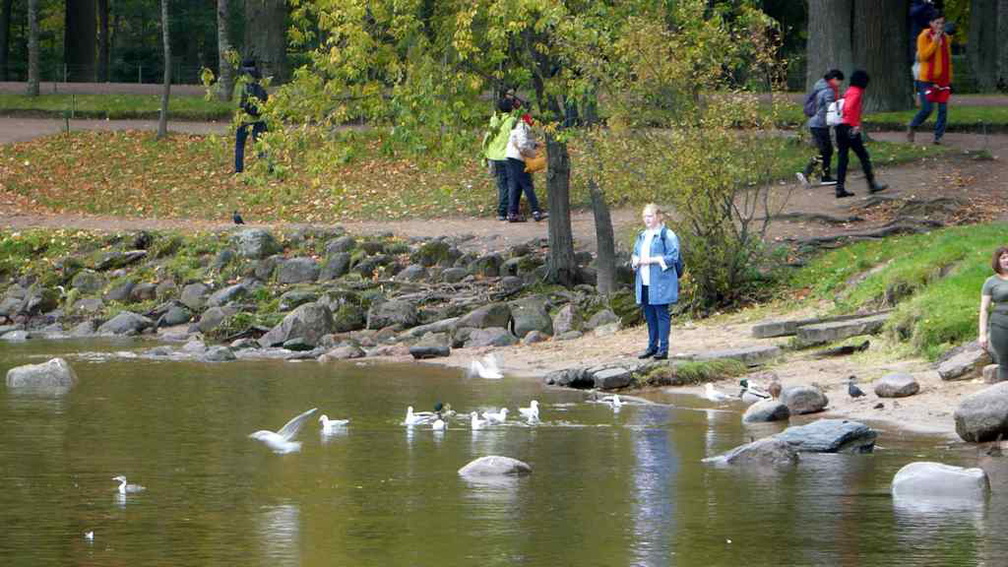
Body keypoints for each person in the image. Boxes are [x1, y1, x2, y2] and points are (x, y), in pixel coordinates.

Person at [631, 204, 682, 361]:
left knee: (661, 313)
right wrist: (635, 260)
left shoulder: (667, 234)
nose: (647, 219)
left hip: (660, 282)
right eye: (645, 216)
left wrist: (651, 260)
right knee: (650, 315)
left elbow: (673, 257)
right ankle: (652, 347)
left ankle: (663, 348)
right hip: (644, 280)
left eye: (650, 216)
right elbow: (635, 254)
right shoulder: (642, 235)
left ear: (659, 216)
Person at [834, 69, 888, 199]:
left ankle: (839, 187)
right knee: (863, 156)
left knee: (843, 157)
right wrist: (855, 125)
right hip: (849, 128)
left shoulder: (848, 91)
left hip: (840, 127)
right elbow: (848, 108)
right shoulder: (856, 92)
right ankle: (871, 184)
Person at [907, 12, 952, 145]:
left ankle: (938, 137)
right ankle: (913, 125)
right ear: (931, 23)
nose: (940, 26)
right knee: (927, 109)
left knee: (943, 110)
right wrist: (934, 43)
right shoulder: (924, 36)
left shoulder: (946, 38)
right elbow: (923, 57)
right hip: (926, 79)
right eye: (937, 23)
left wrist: (950, 78)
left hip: (943, 80)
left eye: (942, 23)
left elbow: (948, 60)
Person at [797, 69, 844, 187]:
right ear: (834, 79)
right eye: (839, 81)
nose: (840, 84)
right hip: (819, 124)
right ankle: (808, 173)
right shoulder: (828, 91)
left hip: (818, 124)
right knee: (825, 151)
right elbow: (831, 107)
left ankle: (824, 176)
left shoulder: (822, 88)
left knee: (826, 150)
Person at [505, 112, 548, 223]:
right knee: (527, 184)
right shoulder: (522, 127)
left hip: (512, 157)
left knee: (517, 186)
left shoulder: (520, 126)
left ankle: (512, 213)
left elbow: (523, 141)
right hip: (518, 158)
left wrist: (535, 144)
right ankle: (536, 211)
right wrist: (533, 155)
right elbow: (523, 145)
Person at [482, 97, 517, 221]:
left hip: (495, 156)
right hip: (508, 156)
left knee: (502, 185)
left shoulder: (494, 121)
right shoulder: (512, 121)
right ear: (511, 108)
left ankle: (501, 212)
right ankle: (511, 211)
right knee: (512, 184)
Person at [980, 246, 1008, 383]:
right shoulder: (991, 282)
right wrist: (982, 334)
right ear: (997, 261)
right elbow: (984, 309)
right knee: (1004, 362)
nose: (1007, 260)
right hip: (1000, 325)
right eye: (1003, 257)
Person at [235, 59, 268, 173]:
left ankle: (239, 170)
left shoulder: (241, 82)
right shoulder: (260, 80)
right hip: (258, 119)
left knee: (240, 145)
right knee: (261, 144)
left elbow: (236, 101)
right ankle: (266, 167)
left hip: (243, 119)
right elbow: (265, 98)